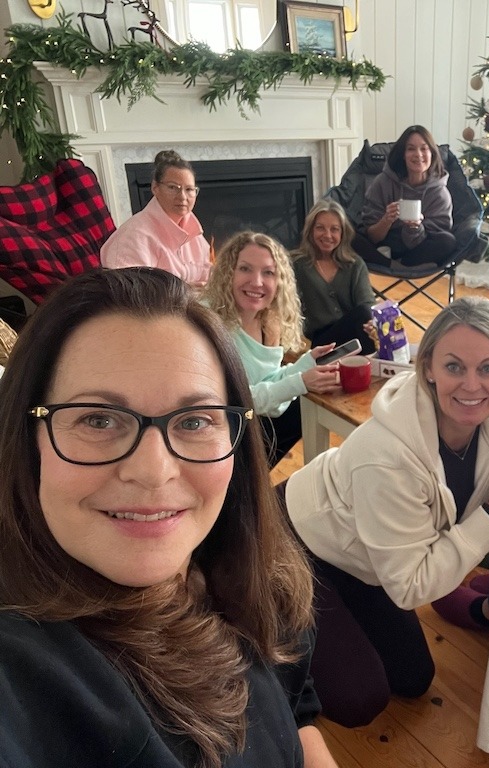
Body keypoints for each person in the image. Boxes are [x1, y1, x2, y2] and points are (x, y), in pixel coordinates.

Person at [0, 267, 338, 767]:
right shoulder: (25, 669)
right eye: (98, 419)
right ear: (29, 441)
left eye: (195, 420)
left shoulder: (247, 562)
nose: (153, 472)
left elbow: (292, 703)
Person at [284, 297, 489, 726]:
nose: (471, 385)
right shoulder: (385, 455)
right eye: (454, 366)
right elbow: (408, 588)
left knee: (414, 678)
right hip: (301, 542)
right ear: (427, 367)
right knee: (359, 701)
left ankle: (453, 601)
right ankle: (252, 614)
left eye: (488, 368)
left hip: (369, 557)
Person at [205, 231, 341, 467]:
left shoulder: (268, 321)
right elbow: (237, 401)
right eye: (245, 269)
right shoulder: (211, 323)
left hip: (251, 419)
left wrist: (307, 363)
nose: (257, 282)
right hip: (221, 430)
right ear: (228, 273)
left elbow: (266, 381)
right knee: (303, 399)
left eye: (268, 272)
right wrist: (301, 381)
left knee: (311, 395)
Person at [101, 150, 212, 287]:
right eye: (173, 187)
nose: (182, 197)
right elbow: (130, 297)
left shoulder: (195, 235)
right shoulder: (133, 237)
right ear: (155, 188)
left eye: (189, 189)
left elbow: (211, 278)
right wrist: (186, 292)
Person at [355, 125, 457, 268]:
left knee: (448, 241)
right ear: (403, 154)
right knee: (348, 235)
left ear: (432, 153)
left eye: (424, 148)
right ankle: (392, 265)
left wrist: (415, 228)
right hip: (385, 247)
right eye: (411, 149)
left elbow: (438, 235)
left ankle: (403, 265)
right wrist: (386, 220)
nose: (418, 154)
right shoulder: (383, 182)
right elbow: (372, 237)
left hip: (419, 249)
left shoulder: (440, 193)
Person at [292, 200, 376, 354]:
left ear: (342, 233)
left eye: (334, 229)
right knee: (362, 315)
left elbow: (367, 303)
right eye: (320, 228)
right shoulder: (296, 264)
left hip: (354, 336)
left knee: (367, 315)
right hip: (319, 342)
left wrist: (372, 323)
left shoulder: (354, 264)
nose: (328, 235)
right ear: (310, 230)